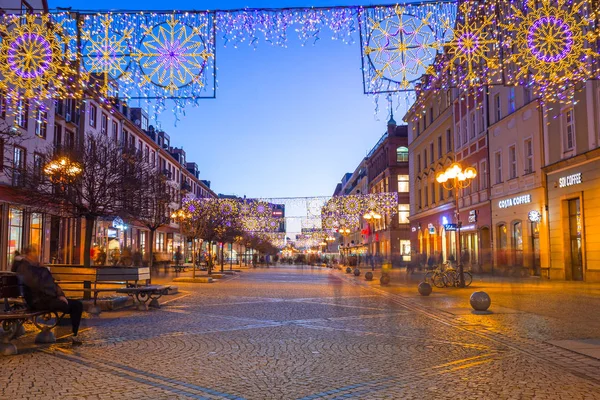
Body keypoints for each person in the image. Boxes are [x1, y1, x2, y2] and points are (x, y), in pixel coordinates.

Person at [12, 246, 84, 345]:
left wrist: (60, 294)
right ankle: (65, 336)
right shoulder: (25, 267)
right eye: (35, 253)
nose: (38, 255)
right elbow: (37, 285)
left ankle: (70, 335)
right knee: (66, 306)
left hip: (47, 298)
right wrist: (56, 295)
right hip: (37, 300)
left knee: (77, 305)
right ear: (29, 254)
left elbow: (52, 283)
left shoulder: (37, 267)